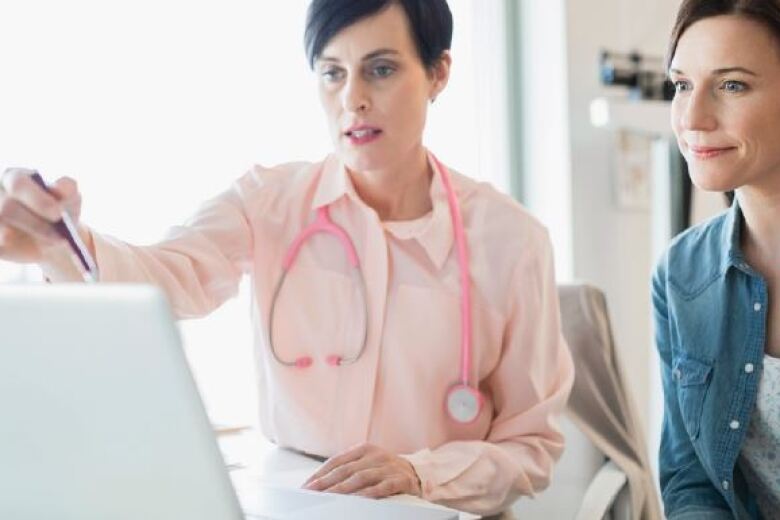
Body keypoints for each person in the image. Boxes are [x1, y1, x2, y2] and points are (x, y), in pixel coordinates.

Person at [0, 0, 574, 515]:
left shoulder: (511, 240)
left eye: (380, 68)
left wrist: (421, 474)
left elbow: (531, 446)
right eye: (332, 73)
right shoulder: (268, 200)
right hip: (302, 500)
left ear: (438, 73)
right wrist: (62, 245)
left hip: (443, 510)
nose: (353, 98)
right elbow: (166, 276)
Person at [654, 0, 780, 518]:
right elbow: (692, 479)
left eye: (732, 85)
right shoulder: (681, 274)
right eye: (682, 84)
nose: (693, 118)